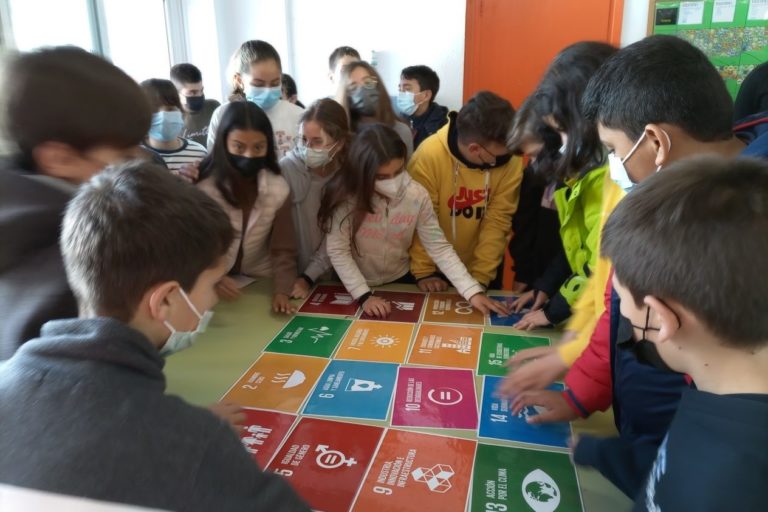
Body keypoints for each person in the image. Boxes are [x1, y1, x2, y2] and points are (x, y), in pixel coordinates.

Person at [507, 35, 768, 498]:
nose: (610, 165)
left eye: (610, 149)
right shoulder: (669, 202)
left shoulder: (739, 217)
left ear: (655, 142)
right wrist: (580, 391)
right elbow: (617, 303)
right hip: (667, 439)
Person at [0, 161, 310, 511]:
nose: (213, 300)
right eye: (211, 286)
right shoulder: (195, 446)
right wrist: (187, 434)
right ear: (165, 300)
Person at [601, 157, 768, 511]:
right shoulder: (716, 394)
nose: (624, 321)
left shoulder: (730, 485)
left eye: (625, 307)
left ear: (662, 319)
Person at [0, 46, 151, 361]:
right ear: (59, 159)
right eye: (124, 156)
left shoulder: (18, 207)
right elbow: (76, 391)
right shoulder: (74, 262)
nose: (141, 162)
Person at [319, 124, 510, 319]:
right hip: (352, 285)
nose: (393, 182)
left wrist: (472, 291)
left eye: (399, 171)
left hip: (400, 278)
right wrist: (363, 295)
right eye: (381, 177)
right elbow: (338, 251)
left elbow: (438, 246)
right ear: (362, 173)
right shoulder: (346, 199)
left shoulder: (417, 195)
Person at [508, 42, 616, 331]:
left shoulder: (608, 177)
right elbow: (577, 250)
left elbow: (599, 262)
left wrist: (555, 311)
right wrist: (547, 286)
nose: (564, 143)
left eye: (562, 130)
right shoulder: (577, 175)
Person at [408, 91, 523, 291]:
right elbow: (423, 221)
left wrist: (481, 276)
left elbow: (498, 220)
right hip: (433, 269)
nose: (504, 160)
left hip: (482, 267)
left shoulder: (510, 159)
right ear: (474, 149)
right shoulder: (428, 156)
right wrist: (424, 270)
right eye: (496, 157)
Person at [198, 101, 299, 314]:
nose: (249, 155)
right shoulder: (203, 187)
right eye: (239, 147)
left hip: (260, 282)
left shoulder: (277, 187)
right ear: (223, 143)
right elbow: (192, 245)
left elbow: (283, 249)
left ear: (268, 146)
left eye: (258, 147)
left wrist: (282, 291)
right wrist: (212, 275)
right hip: (208, 282)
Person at [279, 99, 350, 297]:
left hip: (337, 276)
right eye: (303, 140)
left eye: (317, 141)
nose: (307, 148)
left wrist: (309, 276)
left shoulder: (346, 175)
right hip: (292, 277)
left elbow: (338, 235)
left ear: (339, 143)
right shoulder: (286, 168)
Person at [505, 96, 563, 294]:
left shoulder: (570, 173)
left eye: (537, 153)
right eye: (530, 156)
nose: (534, 161)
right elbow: (525, 222)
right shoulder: (535, 171)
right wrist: (523, 273)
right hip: (536, 274)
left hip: (565, 279)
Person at [207, 40, 303, 158]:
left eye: (275, 83)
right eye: (258, 84)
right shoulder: (223, 114)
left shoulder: (298, 115)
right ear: (239, 81)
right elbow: (214, 162)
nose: (268, 91)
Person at [335, 61, 414, 159]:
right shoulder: (342, 136)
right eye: (353, 86)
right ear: (346, 95)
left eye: (368, 82)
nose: (363, 91)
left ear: (378, 86)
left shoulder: (401, 131)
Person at [140, 78, 207, 179]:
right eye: (154, 110)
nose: (163, 115)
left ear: (180, 110)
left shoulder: (200, 153)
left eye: (170, 109)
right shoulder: (134, 156)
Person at [170, 62, 221, 146]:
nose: (199, 95)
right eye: (192, 92)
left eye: (201, 90)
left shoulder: (214, 107)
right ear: (176, 93)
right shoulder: (170, 118)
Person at [398, 65, 448, 149]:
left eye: (407, 89)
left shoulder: (445, 127)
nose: (401, 94)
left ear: (426, 95)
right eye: (400, 89)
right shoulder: (397, 121)